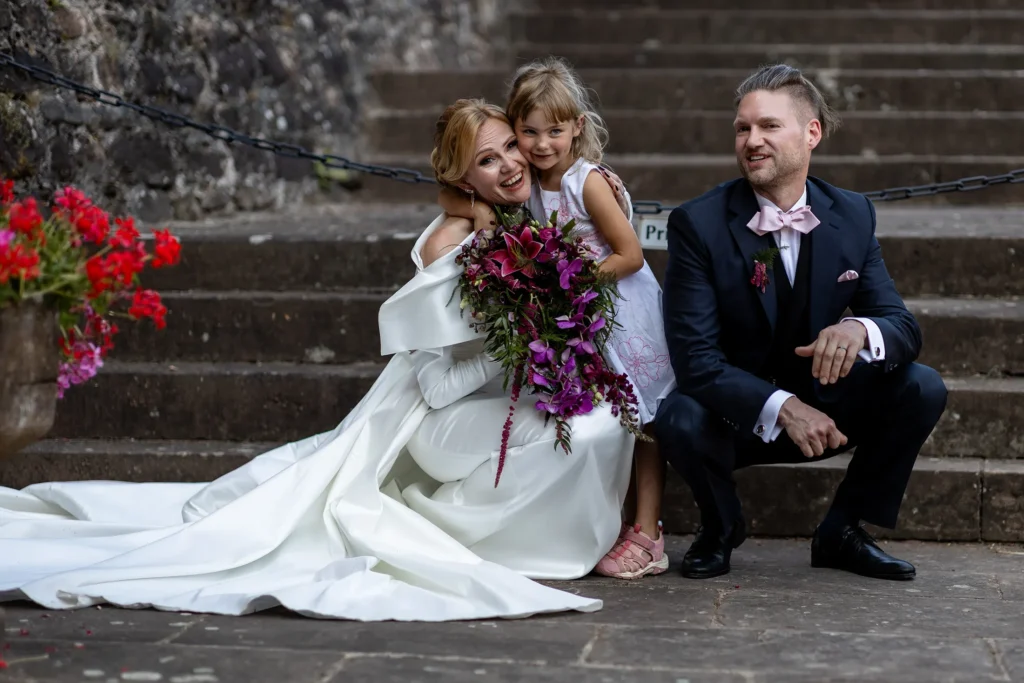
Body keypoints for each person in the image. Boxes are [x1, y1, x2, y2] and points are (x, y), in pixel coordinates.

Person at [0, 99, 635, 621]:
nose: (508, 166)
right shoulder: (452, 243)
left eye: (508, 148)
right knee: (579, 429)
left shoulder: (523, 221)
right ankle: (469, 535)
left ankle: (518, 534)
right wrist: (517, 350)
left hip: (491, 407)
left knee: (606, 417)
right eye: (485, 161)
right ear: (463, 179)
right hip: (435, 423)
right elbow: (437, 386)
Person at [656, 64, 948, 581]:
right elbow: (695, 361)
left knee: (920, 387)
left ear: (811, 133)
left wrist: (861, 330)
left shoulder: (852, 213)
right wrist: (784, 408)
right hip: (735, 417)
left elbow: (902, 325)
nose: (752, 140)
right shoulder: (697, 224)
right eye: (743, 128)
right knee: (678, 416)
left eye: (769, 126)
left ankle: (843, 530)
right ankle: (720, 528)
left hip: (827, 409)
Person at [444, 57, 676, 580]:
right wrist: (481, 214)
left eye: (555, 130)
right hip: (585, 316)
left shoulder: (585, 182)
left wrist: (574, 281)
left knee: (645, 421)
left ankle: (649, 531)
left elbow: (631, 254)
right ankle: (614, 521)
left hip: (623, 315)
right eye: (528, 131)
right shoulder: (533, 183)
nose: (542, 143)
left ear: (578, 126)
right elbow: (450, 187)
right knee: (616, 419)